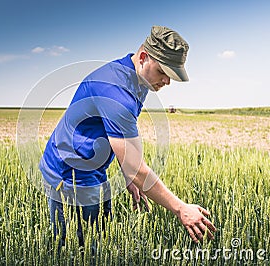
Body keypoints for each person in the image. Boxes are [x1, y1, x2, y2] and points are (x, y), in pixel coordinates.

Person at [39, 25, 216, 248]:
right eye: (163, 72)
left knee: (100, 240)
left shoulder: (136, 77)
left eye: (172, 76)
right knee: (79, 249)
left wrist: (129, 175)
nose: (167, 82)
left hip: (93, 168)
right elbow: (135, 166)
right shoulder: (117, 91)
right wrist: (181, 208)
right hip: (70, 174)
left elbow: (117, 137)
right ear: (143, 57)